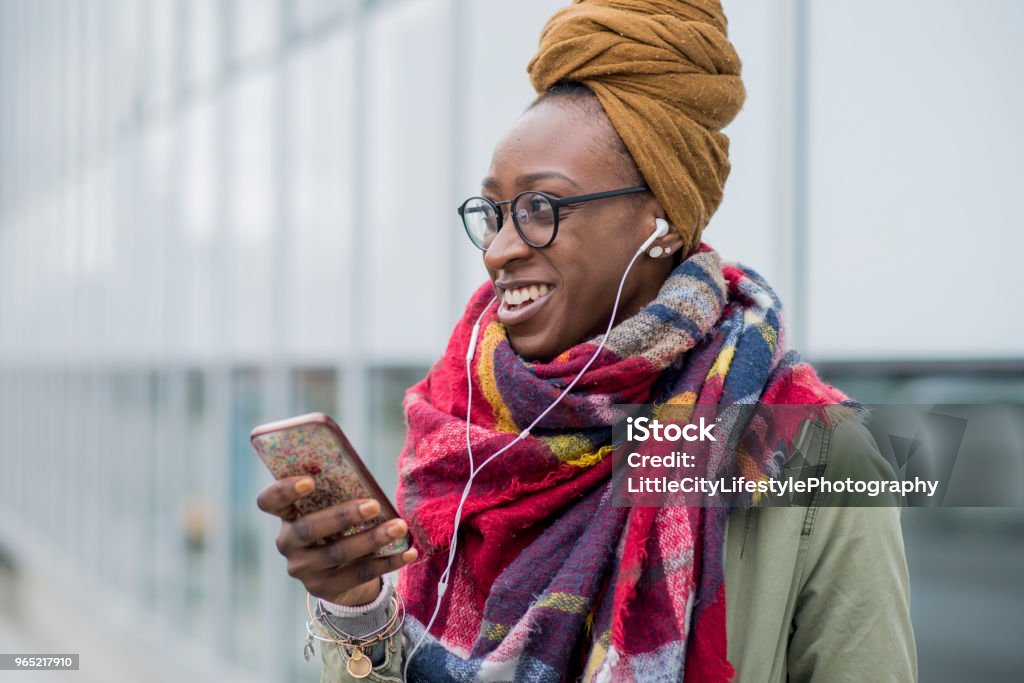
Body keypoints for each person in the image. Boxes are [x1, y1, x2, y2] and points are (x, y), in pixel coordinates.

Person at [257, 1, 917, 680]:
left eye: (542, 209)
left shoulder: (815, 451)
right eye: (494, 213)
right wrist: (357, 606)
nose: (499, 250)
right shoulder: (464, 423)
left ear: (659, 222)